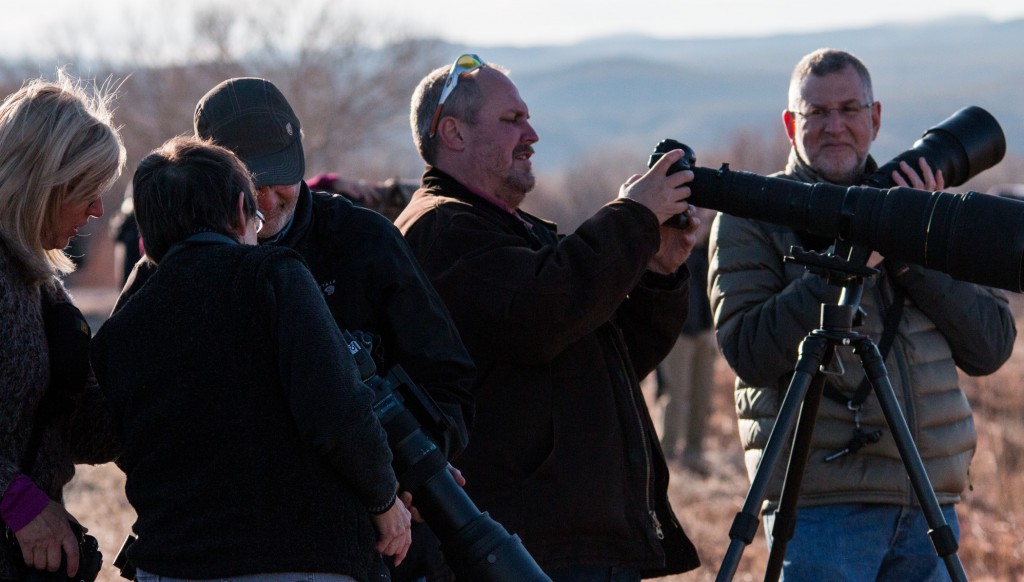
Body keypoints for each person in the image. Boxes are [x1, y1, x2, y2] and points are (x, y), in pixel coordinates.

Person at [708, 47, 1017, 580]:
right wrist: (843, 261)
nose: (835, 127)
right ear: (790, 124)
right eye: (816, 113)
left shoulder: (922, 211)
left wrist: (908, 249)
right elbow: (749, 352)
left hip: (928, 501)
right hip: (821, 502)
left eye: (849, 109)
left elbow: (990, 346)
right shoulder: (752, 219)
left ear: (875, 118)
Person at [394, 54, 702, 581]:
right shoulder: (442, 230)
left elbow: (612, 357)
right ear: (454, 133)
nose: (531, 133)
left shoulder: (515, 232)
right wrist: (632, 217)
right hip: (523, 549)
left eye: (527, 118)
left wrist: (657, 270)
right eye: (511, 120)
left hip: (566, 546)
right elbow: (541, 316)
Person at [91, 135, 412, 581]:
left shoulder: (126, 324)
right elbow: (337, 412)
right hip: (300, 559)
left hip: (172, 564)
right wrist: (383, 499)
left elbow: (105, 437)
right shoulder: (273, 276)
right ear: (242, 210)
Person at [117, 77, 474, 459]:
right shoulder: (167, 270)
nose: (268, 200)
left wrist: (415, 469)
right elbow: (121, 407)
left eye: (280, 175)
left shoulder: (362, 238)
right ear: (211, 174)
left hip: (377, 501)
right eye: (251, 184)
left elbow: (446, 376)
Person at [0, 72, 125, 580]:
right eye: (86, 191)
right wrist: (18, 502)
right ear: (40, 184)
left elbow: (83, 434)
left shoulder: (40, 283)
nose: (98, 209)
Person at [656, 207, 717, 477]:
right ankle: (667, 453)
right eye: (701, 217)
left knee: (702, 395)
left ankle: (695, 451)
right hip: (677, 332)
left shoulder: (715, 247)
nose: (705, 222)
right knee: (675, 393)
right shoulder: (677, 243)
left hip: (705, 330)